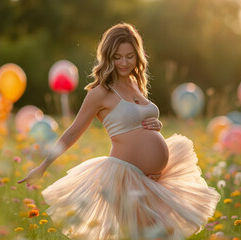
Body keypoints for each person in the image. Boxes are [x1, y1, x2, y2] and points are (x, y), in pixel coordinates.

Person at [18, 22, 220, 240]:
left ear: (138, 56)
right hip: (125, 177)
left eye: (130, 56)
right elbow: (72, 132)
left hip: (153, 178)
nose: (124, 62)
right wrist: (44, 165)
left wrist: (156, 125)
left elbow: (135, 122)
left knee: (159, 235)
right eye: (117, 57)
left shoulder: (136, 83)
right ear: (108, 57)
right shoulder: (100, 93)